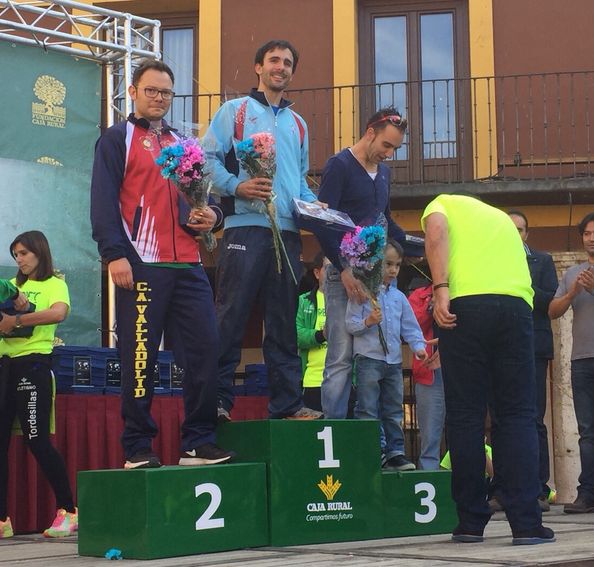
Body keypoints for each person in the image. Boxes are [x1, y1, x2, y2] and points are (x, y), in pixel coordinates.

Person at [91, 58, 234, 469]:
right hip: (141, 263)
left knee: (206, 349)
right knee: (140, 357)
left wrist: (213, 218)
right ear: (133, 92)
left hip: (188, 263)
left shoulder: (182, 143)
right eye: (151, 90)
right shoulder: (116, 139)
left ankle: (198, 441)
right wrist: (115, 254)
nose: (159, 98)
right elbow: (102, 201)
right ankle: (137, 447)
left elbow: (207, 199)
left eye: (166, 92)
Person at [422, 193, 555, 545]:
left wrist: (440, 289)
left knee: (466, 415)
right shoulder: (500, 220)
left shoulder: (441, 204)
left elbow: (435, 233)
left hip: (465, 305)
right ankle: (527, 523)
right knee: (516, 415)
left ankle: (469, 522)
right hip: (515, 308)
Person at [204, 40, 322, 420]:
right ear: (258, 67)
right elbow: (204, 161)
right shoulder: (234, 111)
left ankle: (287, 404)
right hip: (243, 229)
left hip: (287, 233)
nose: (281, 67)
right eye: (274, 60)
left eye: (288, 62)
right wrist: (237, 186)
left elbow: (299, 182)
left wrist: (312, 204)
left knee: (283, 321)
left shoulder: (300, 125)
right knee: (231, 316)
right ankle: (218, 400)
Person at [315, 107, 417, 419]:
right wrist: (343, 269)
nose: (389, 154)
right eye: (386, 145)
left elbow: (384, 220)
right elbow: (323, 221)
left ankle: (376, 439)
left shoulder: (384, 173)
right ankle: (332, 431)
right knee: (341, 357)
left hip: (377, 274)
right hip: (343, 273)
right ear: (370, 132)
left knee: (376, 359)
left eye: (396, 149)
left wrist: (418, 245)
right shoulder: (339, 165)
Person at [0, 231, 77, 538]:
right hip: (4, 367)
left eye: (24, 253)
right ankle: (3, 520)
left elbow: (59, 313)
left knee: (37, 439)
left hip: (33, 366)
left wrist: (18, 320)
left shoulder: (54, 283)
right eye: (15, 254)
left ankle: (69, 511)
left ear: (39, 252)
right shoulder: (12, 286)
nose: (19, 259)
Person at [345, 241, 426, 471]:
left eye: (398, 265)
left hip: (393, 361)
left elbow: (409, 326)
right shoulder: (361, 292)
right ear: (375, 264)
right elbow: (350, 324)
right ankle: (373, 450)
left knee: (393, 408)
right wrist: (368, 322)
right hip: (368, 358)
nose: (393, 270)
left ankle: (395, 452)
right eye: (388, 264)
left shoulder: (399, 297)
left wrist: (418, 346)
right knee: (368, 408)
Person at [499, 210, 558, 511]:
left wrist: (519, 287)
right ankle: (503, 488)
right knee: (500, 418)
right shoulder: (494, 260)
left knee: (534, 418)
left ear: (527, 233)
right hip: (502, 348)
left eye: (520, 230)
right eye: (510, 230)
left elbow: (548, 299)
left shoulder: (543, 261)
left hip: (533, 346)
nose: (516, 234)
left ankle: (538, 489)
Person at [549, 212, 594, 513]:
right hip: (582, 361)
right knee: (588, 431)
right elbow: (553, 311)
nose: (592, 238)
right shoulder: (572, 273)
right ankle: (589, 492)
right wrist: (572, 292)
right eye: (587, 234)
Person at [408, 283, 445, 470]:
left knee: (467, 427)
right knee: (429, 434)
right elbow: (409, 326)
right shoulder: (419, 294)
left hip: (461, 367)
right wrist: (430, 307)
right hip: (429, 370)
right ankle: (430, 478)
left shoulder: (465, 289)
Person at [296, 253, 329, 411]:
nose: (333, 274)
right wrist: (320, 335)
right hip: (312, 380)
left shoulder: (349, 301)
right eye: (328, 269)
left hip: (344, 381)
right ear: (317, 273)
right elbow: (296, 335)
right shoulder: (303, 301)